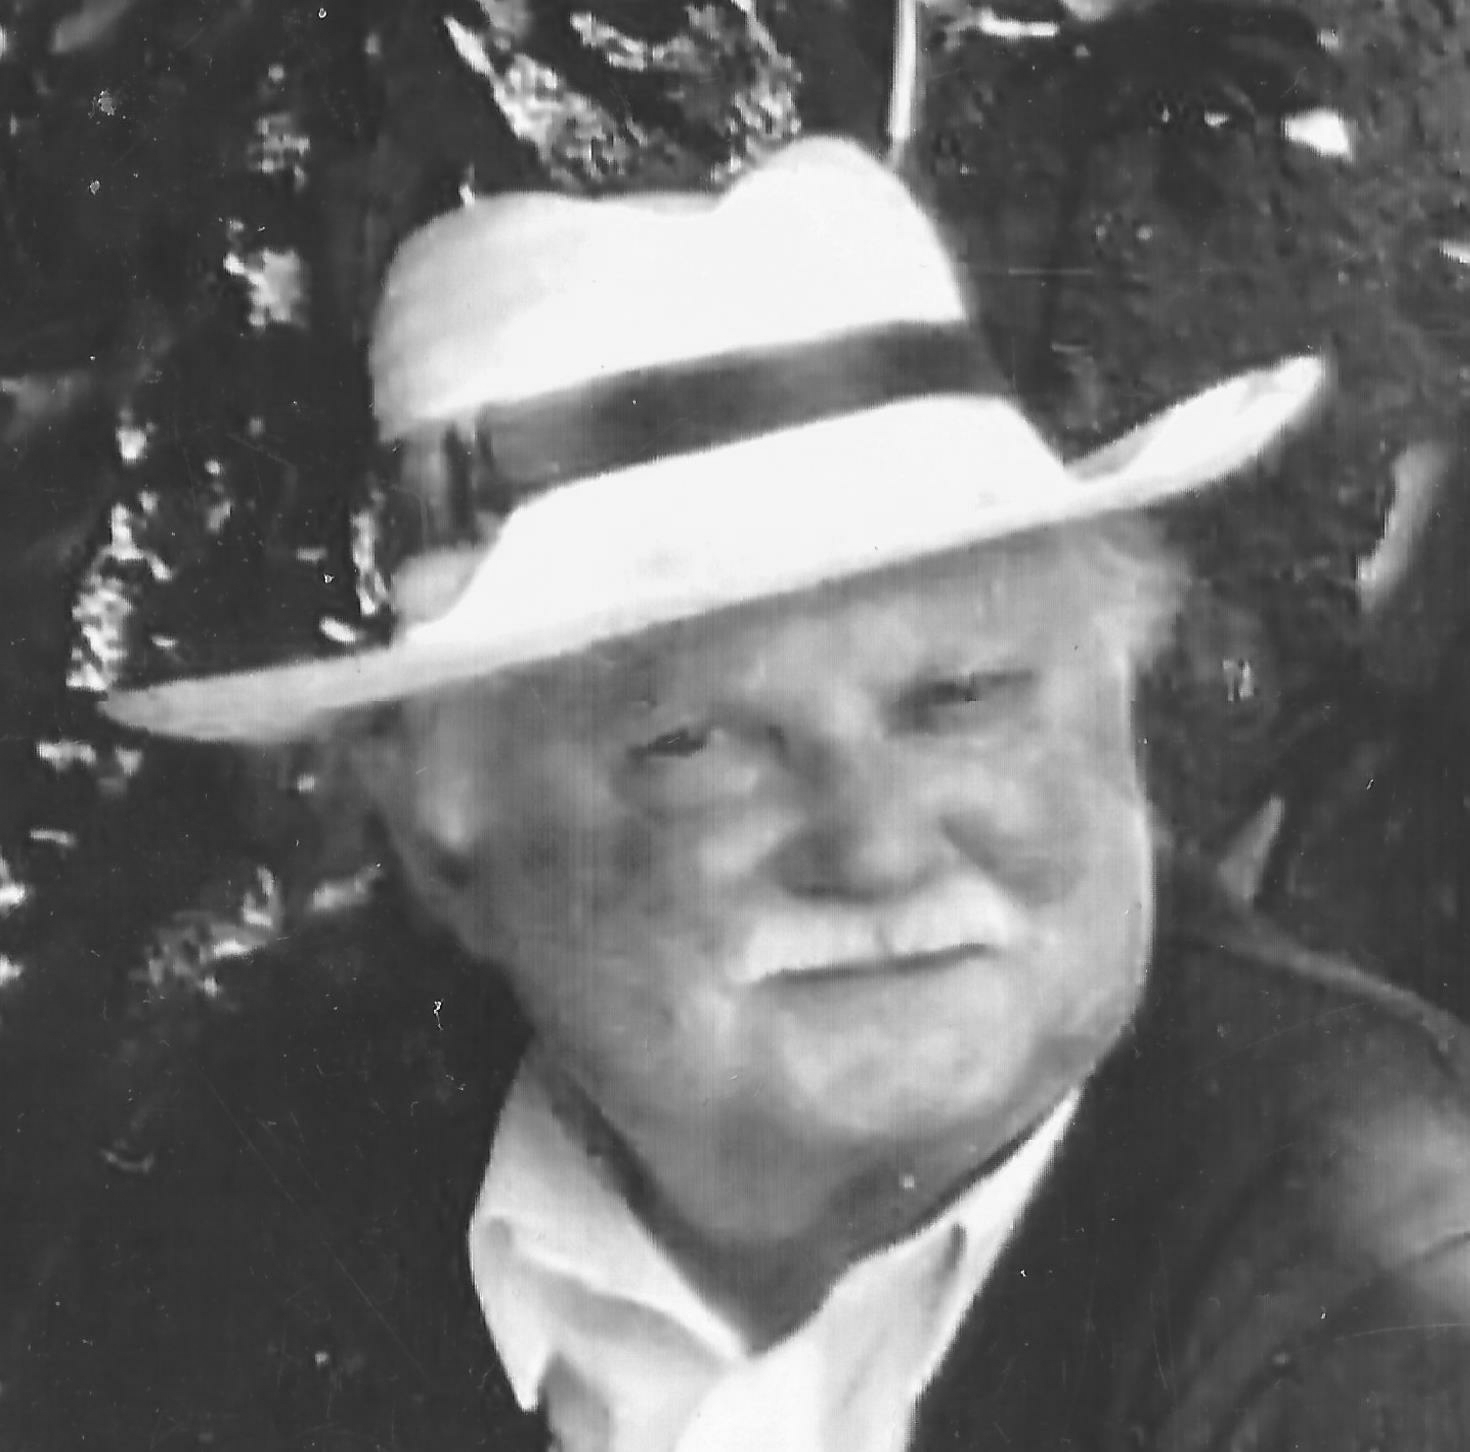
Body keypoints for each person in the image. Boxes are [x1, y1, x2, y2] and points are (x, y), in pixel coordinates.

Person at [36, 138, 1470, 1449]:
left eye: (961, 698)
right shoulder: (263, 1182)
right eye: (703, 744)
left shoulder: (1377, 1268)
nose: (877, 844)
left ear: (1118, 700)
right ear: (442, 841)